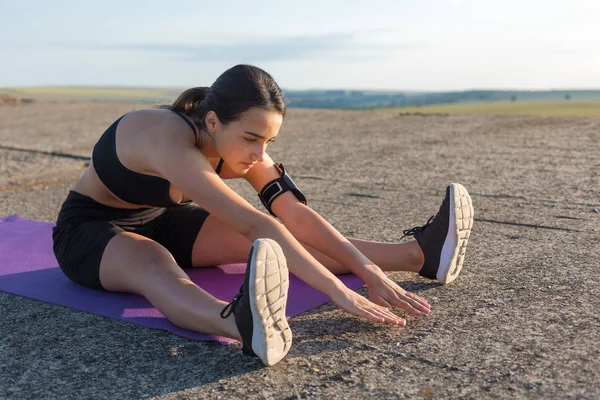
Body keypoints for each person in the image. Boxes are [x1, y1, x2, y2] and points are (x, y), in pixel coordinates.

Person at [52, 64, 474, 366]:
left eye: (268, 140)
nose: (260, 154)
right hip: (89, 231)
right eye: (252, 138)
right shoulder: (167, 138)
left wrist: (366, 270)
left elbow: (295, 216)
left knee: (283, 244)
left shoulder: (241, 144)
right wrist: (338, 291)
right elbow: (257, 222)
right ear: (212, 121)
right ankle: (240, 323)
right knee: (155, 265)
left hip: (160, 219)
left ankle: (419, 255)